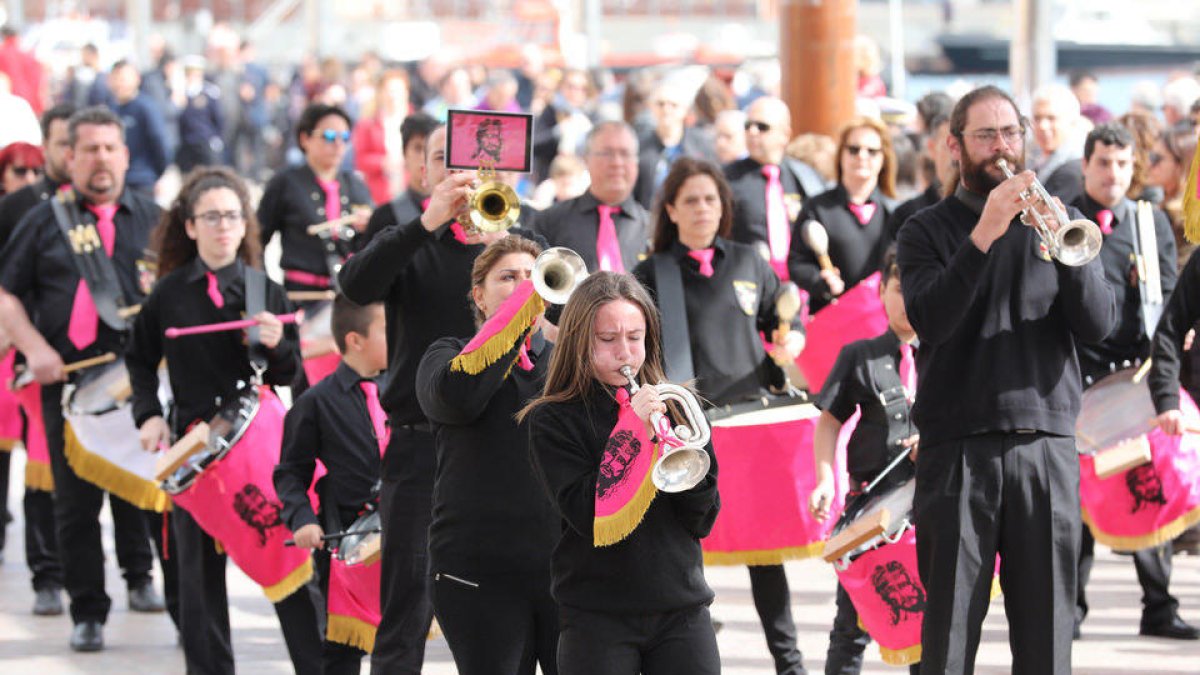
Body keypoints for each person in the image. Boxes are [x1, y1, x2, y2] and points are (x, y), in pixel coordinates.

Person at [895, 85, 1117, 674]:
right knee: (947, 640)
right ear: (954, 146)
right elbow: (930, 319)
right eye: (986, 135)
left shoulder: (1057, 216)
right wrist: (984, 234)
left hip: (1045, 445)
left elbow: (1099, 323)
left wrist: (1069, 253)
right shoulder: (926, 230)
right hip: (957, 447)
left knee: (1047, 640)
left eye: (1010, 133)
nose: (1001, 147)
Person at [338, 121, 520, 673]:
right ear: (425, 171)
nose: (458, 169)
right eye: (444, 158)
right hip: (423, 445)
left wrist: (505, 254)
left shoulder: (519, 245)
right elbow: (355, 286)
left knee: (515, 599)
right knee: (407, 604)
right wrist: (425, 224)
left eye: (471, 159)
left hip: (506, 444)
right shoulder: (406, 237)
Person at [126, 166, 323, 674]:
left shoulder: (264, 290)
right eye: (210, 217)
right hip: (195, 451)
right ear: (190, 226)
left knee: (290, 562)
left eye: (232, 216)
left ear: (244, 224)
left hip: (256, 444)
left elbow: (289, 372)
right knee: (197, 582)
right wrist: (148, 415)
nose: (222, 226)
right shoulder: (167, 294)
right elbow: (139, 358)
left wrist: (280, 348)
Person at [0, 106, 176, 652]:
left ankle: (165, 596)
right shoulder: (42, 220)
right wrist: (34, 348)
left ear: (125, 156)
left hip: (141, 385)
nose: (101, 159)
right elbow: (6, 293)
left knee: (151, 496)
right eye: (89, 150)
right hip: (68, 384)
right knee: (74, 505)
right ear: (68, 157)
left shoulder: (156, 219)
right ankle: (88, 611)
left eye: (110, 148)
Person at [631, 158, 805, 674]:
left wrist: (791, 338)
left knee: (765, 555)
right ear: (670, 210)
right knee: (686, 553)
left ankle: (789, 662)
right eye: (690, 200)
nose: (703, 208)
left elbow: (780, 322)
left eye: (711, 198)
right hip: (689, 430)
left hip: (751, 425)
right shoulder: (649, 272)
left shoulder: (752, 261)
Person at [521, 271, 721, 674]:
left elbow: (703, 518)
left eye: (635, 337)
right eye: (607, 340)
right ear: (579, 341)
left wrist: (682, 456)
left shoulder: (676, 405)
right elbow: (586, 515)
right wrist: (633, 435)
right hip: (597, 615)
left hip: (680, 607)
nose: (625, 353)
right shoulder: (552, 419)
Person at [1069, 122, 1197, 641]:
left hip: (1135, 373)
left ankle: (1159, 605)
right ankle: (1069, 610)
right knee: (1078, 502)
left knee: (1147, 485)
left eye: (1123, 163)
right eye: (1103, 162)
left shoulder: (1150, 222)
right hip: (1078, 376)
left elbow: (1170, 296)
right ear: (1086, 165)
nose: (1113, 174)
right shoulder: (1063, 216)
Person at [416, 234, 559, 674]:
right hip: (477, 571)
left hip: (559, 570)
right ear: (479, 295)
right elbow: (459, 400)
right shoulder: (447, 354)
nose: (523, 288)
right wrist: (512, 325)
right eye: (509, 278)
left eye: (532, 278)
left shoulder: (562, 363)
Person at [809, 248, 920, 675]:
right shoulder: (861, 355)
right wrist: (824, 480)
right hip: (869, 511)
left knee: (926, 623)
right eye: (899, 288)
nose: (908, 299)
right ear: (881, 291)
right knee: (851, 627)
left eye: (918, 288)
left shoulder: (948, 355)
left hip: (928, 511)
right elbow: (829, 423)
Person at [275, 295, 390, 674]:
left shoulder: (403, 392)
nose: (398, 336)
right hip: (343, 539)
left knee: (400, 639)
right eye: (387, 330)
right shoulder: (315, 402)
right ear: (356, 340)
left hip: (399, 535)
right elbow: (291, 472)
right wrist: (303, 519)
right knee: (342, 649)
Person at [258, 103, 374, 296]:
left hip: (348, 297)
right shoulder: (285, 183)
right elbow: (256, 241)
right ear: (305, 138)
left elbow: (374, 245)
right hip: (301, 295)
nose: (338, 144)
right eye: (329, 136)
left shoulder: (356, 184)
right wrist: (268, 294)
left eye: (344, 138)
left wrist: (371, 226)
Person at [789, 116, 898, 312]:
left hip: (881, 320)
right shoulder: (817, 207)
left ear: (884, 159)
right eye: (854, 149)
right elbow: (797, 262)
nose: (862, 156)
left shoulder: (896, 213)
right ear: (841, 155)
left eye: (872, 151)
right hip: (832, 317)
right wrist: (819, 280)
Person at [726, 96, 828, 280]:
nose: (752, 132)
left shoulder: (804, 177)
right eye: (748, 125)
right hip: (748, 281)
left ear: (784, 135)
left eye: (762, 127)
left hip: (798, 285)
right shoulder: (726, 178)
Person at [531, 121, 649, 273]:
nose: (617, 163)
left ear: (636, 162)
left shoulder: (652, 230)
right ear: (586, 159)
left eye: (625, 154)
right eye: (607, 153)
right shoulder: (549, 222)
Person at [632, 77, 717, 209]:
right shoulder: (638, 146)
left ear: (685, 110)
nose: (667, 109)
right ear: (650, 107)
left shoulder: (702, 145)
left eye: (673, 105)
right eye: (661, 104)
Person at [358, 112, 439, 249]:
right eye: (418, 148)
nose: (424, 157)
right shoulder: (384, 217)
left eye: (431, 149)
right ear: (404, 153)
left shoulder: (458, 213)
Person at [105, 61, 170, 196]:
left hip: (142, 180)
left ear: (136, 79)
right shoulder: (111, 109)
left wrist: (157, 173)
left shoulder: (146, 107)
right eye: (115, 78)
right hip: (117, 181)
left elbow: (159, 142)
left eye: (123, 79)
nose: (119, 84)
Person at [887, 113, 954, 241]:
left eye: (963, 146)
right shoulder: (906, 215)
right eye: (950, 146)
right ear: (932, 148)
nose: (956, 156)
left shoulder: (988, 211)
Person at [1030, 83, 1085, 204]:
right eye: (1037, 118)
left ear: (1072, 122)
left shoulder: (1074, 170)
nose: (1042, 126)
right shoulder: (1035, 158)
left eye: (1051, 118)